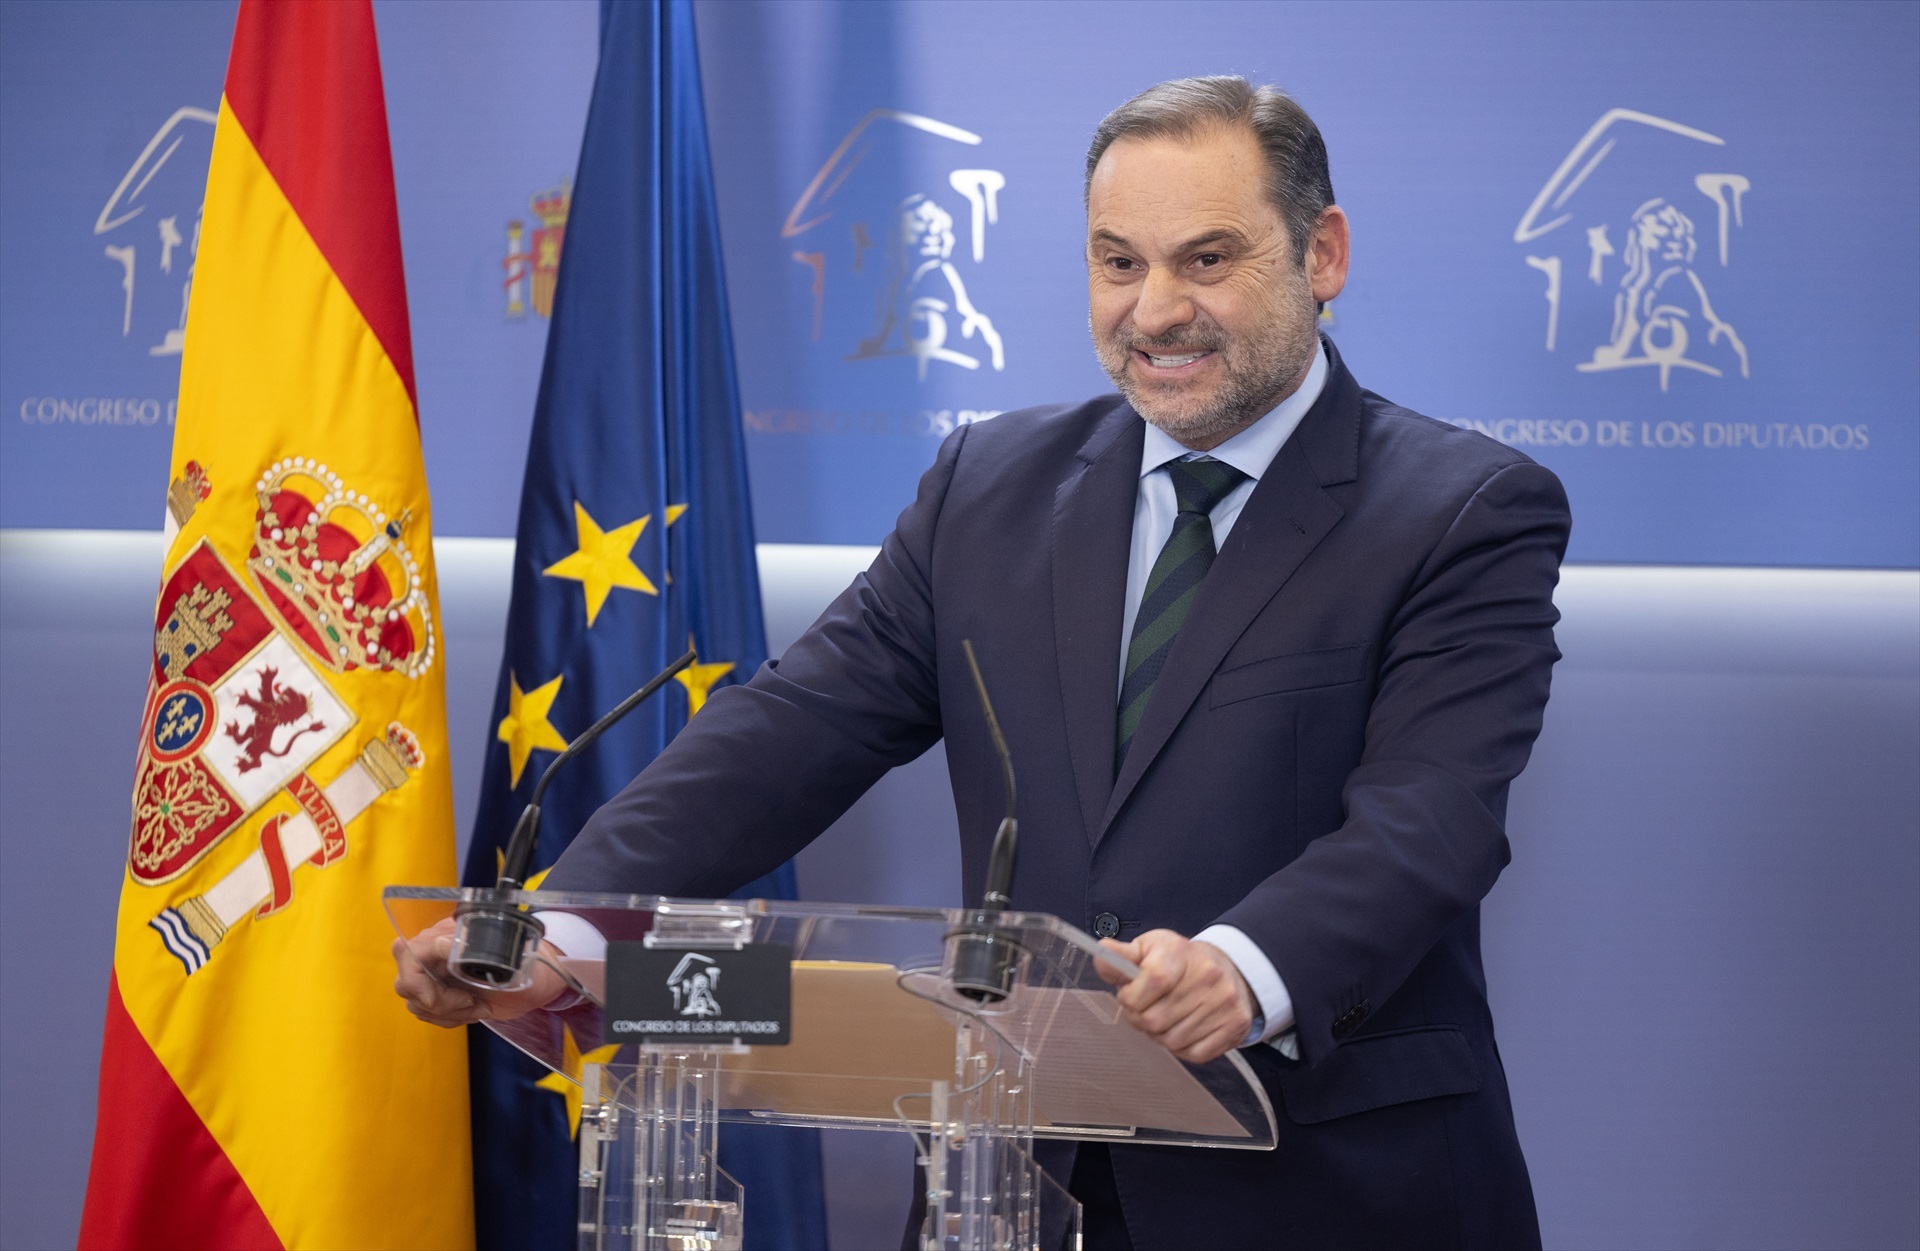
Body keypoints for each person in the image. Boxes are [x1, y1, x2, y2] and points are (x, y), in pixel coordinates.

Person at [397, 75, 1570, 1249]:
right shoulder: (990, 489)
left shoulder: (1463, 512)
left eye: (1206, 259)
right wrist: (565, 932)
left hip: (1327, 1186)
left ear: (1323, 254)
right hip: (1009, 1181)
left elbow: (1431, 820)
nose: (1155, 309)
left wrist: (1243, 965)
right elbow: (794, 730)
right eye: (1118, 262)